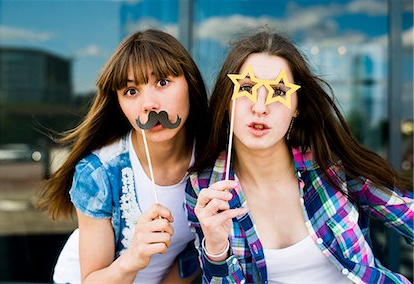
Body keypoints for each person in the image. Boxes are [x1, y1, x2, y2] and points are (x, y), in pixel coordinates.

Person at [185, 30, 413, 283]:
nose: (260, 107)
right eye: (247, 88)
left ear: (297, 108)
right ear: (228, 99)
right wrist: (216, 250)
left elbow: (408, 213)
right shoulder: (205, 188)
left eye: (279, 92)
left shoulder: (330, 165)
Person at [36, 29, 208, 283]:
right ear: (120, 104)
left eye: (162, 82)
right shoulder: (99, 172)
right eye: (131, 91)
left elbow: (194, 256)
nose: (148, 104)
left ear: (190, 84)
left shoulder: (213, 159)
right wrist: (133, 257)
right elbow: (92, 279)